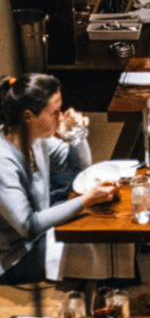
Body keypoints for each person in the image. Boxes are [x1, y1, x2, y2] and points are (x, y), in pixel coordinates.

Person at [0, 73, 116, 285]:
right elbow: (29, 226)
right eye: (53, 112)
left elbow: (80, 170)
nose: (60, 117)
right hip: (16, 256)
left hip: (43, 234)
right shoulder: (3, 161)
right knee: (96, 243)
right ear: (28, 116)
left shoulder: (35, 138)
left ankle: (125, 296)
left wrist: (76, 133)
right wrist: (85, 200)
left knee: (106, 225)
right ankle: (118, 296)